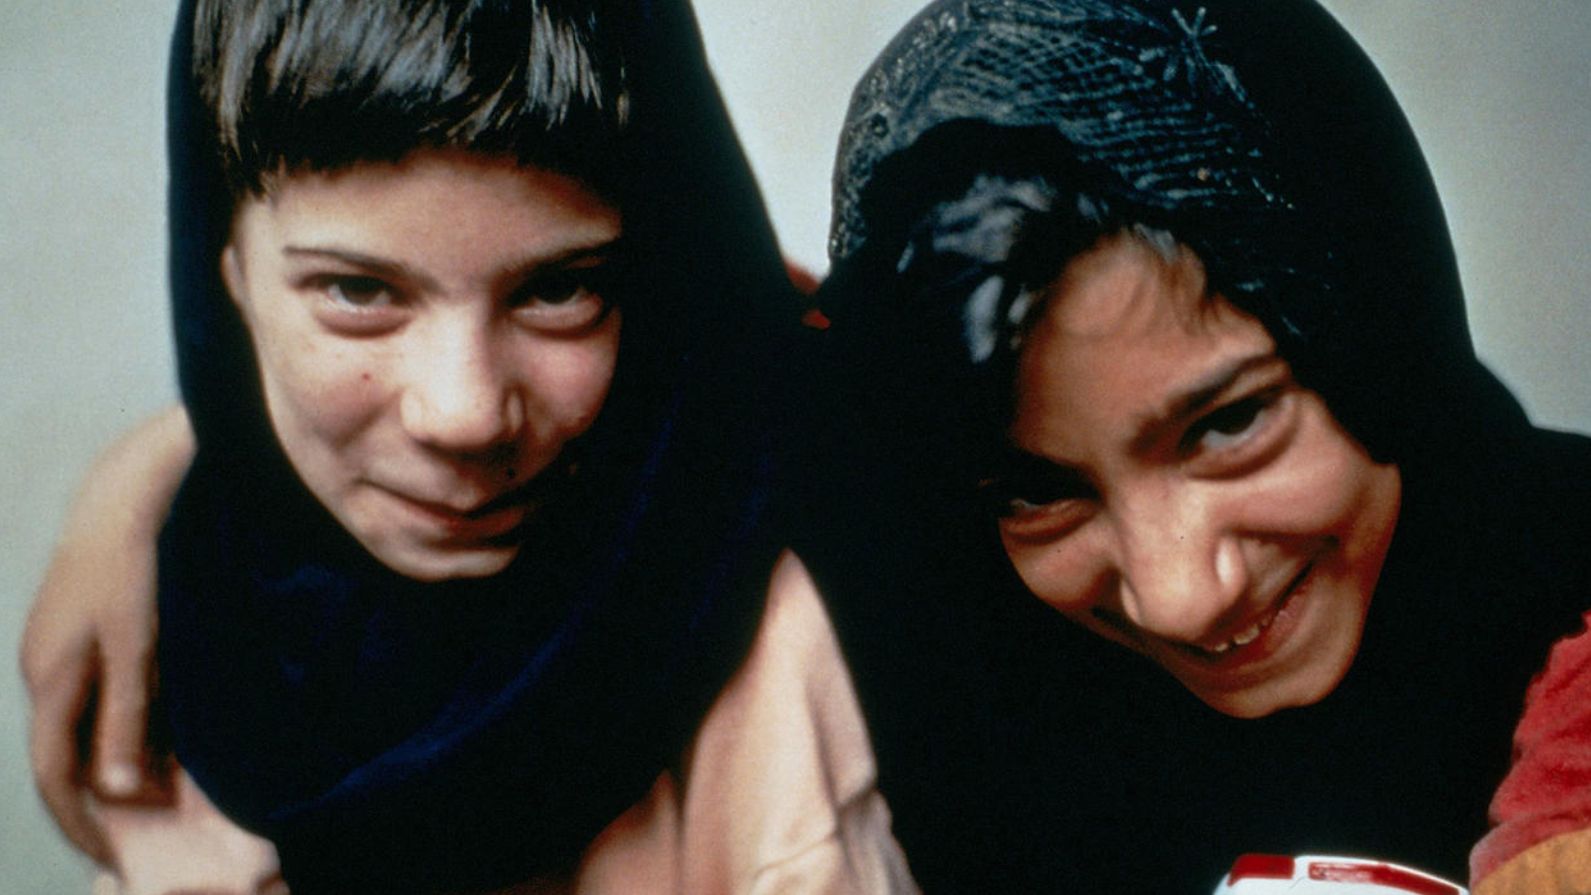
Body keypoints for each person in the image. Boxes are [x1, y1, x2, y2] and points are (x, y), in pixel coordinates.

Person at [21, 0, 918, 892]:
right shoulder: (176, 626)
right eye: (357, 291)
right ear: (228, 283)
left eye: (559, 289)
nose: (466, 415)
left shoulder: (780, 663)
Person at [810, 0, 1591, 891]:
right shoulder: (948, 709)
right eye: (1037, 492)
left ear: (1386, 332)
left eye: (1227, 424)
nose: (1177, 600)